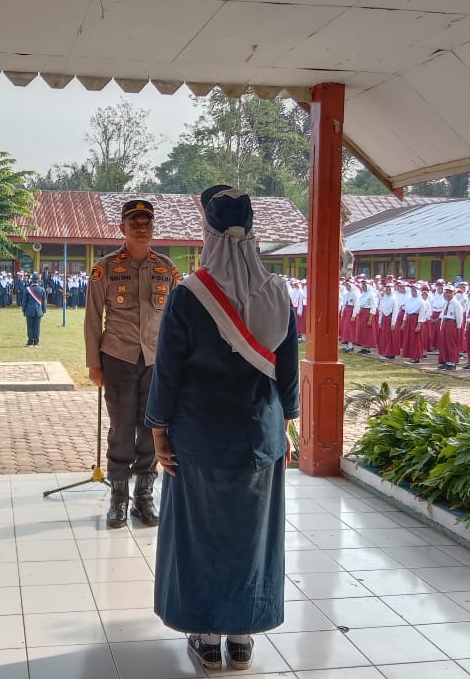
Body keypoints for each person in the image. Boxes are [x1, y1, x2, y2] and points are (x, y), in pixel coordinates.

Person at [145, 186, 299, 672]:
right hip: (259, 435)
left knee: (200, 535)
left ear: (208, 235)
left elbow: (167, 372)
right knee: (252, 536)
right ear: (252, 234)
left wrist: (157, 431)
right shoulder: (277, 292)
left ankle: (206, 637)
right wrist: (287, 426)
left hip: (199, 439)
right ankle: (242, 638)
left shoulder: (191, 294)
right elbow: (288, 374)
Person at [84, 198, 179, 529]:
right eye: (134, 223)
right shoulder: (106, 268)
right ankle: (118, 501)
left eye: (147, 223)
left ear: (153, 228)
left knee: (152, 429)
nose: (141, 228)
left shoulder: (167, 269)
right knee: (122, 429)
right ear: (122, 228)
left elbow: (178, 322)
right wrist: (93, 363)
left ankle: (144, 498)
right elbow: (93, 319)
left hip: (156, 361)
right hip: (119, 359)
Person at [22, 272, 46, 347]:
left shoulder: (27, 289)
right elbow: (44, 302)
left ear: (31, 280)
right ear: (38, 280)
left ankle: (30, 342)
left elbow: (24, 301)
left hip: (29, 310)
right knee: (37, 327)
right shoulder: (42, 289)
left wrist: (23, 310)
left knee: (30, 327)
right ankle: (36, 342)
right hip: (38, 311)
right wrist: (43, 310)